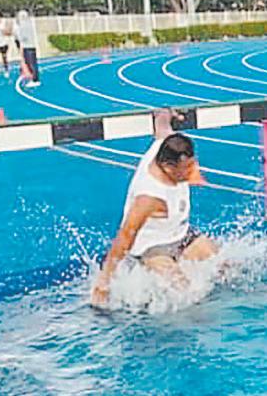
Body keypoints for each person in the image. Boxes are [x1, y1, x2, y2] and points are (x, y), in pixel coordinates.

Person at [91, 110, 219, 307]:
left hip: (181, 235)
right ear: (168, 167)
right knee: (186, 294)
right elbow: (125, 236)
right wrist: (104, 282)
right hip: (153, 248)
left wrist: (165, 113)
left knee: (225, 268)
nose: (192, 172)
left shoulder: (165, 145)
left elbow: (162, 124)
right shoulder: (149, 196)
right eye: (186, 169)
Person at [13, 10, 40, 87]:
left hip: (29, 47)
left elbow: (21, 37)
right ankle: (33, 78)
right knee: (30, 63)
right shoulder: (27, 24)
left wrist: (17, 36)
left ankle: (35, 80)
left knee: (32, 64)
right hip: (27, 46)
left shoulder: (25, 25)